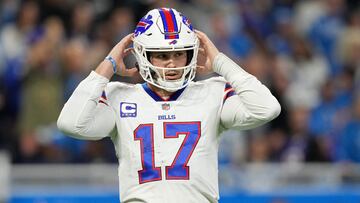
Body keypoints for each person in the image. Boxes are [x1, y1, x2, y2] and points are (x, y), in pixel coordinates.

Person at [57, 8, 281, 203]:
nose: (172, 63)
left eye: (179, 53)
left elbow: (266, 108)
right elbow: (71, 124)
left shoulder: (212, 91)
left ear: (191, 54)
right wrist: (108, 65)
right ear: (144, 56)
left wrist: (221, 62)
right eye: (162, 55)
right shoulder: (120, 95)